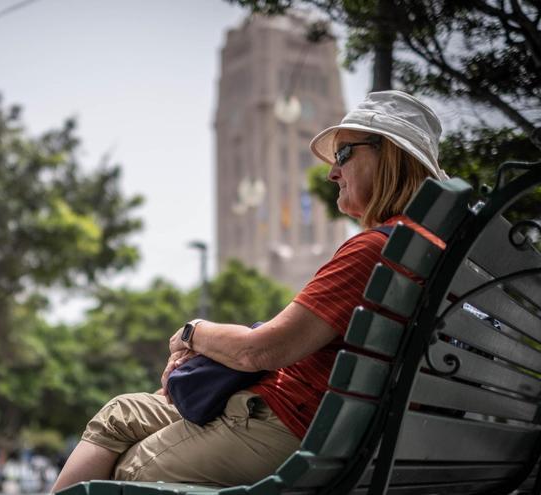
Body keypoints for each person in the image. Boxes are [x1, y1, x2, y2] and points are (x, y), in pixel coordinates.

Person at [51, 90, 450, 492]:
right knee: (121, 413)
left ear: (391, 156)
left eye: (344, 154)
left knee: (129, 474)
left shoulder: (376, 250)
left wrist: (192, 332)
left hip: (289, 427)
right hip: (330, 428)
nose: (332, 172)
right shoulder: (427, 253)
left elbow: (259, 350)